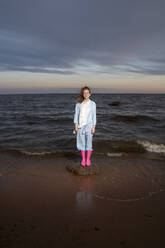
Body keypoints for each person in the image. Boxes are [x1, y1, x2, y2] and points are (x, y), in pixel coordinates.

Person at [73, 86, 96, 167]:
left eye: (87, 92)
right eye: (84, 93)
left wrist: (94, 127)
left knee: (89, 143)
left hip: (89, 126)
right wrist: (76, 125)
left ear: (90, 94)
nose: (86, 94)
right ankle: (83, 159)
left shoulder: (93, 104)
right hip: (80, 126)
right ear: (82, 94)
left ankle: (88, 159)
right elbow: (76, 115)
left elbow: (94, 116)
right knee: (81, 143)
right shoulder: (78, 104)